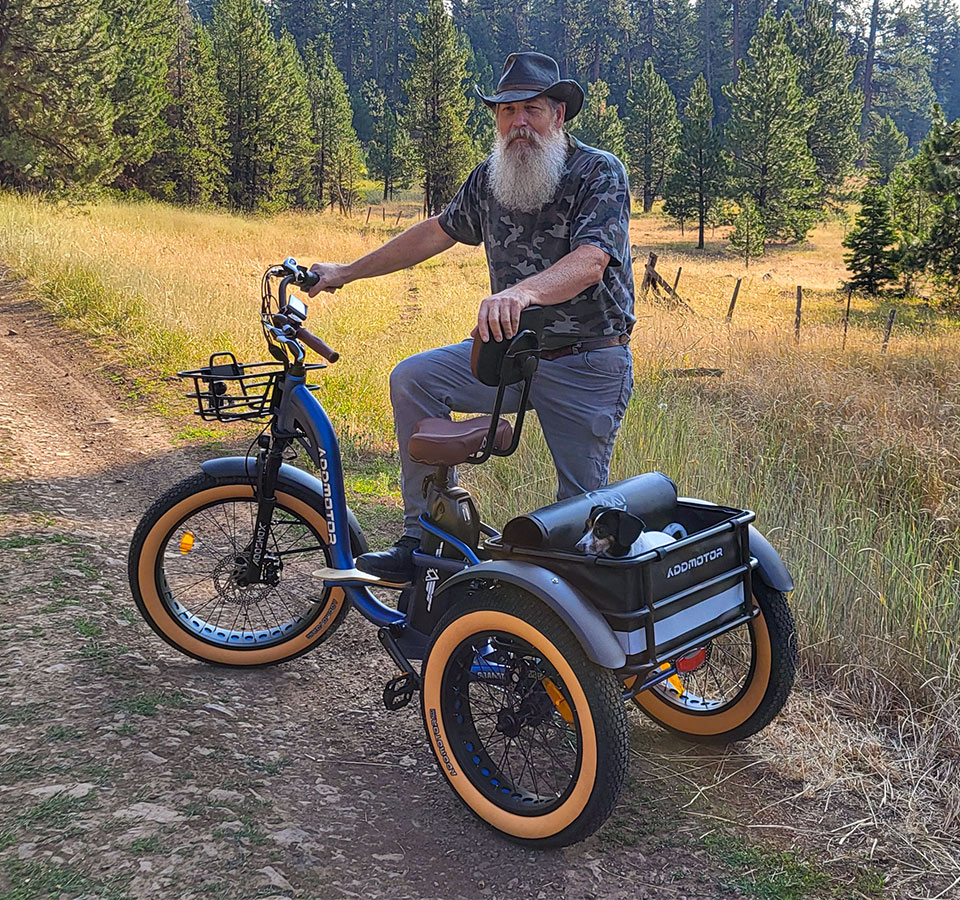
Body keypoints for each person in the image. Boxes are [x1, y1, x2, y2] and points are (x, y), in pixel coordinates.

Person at [307, 51, 635, 582]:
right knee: (414, 379)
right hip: (512, 359)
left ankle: (568, 615)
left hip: (586, 363)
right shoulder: (489, 179)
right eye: (507, 111)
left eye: (531, 109)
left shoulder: (598, 172)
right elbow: (435, 232)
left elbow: (592, 260)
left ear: (558, 115)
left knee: (579, 514)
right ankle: (425, 539)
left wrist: (521, 295)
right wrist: (345, 272)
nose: (519, 122)